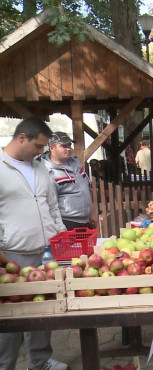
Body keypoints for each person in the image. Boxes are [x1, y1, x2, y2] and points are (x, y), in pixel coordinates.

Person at [0, 118, 69, 370]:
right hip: (10, 255)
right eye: (38, 146)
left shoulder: (40, 168)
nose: (41, 151)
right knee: (9, 319)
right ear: (22, 138)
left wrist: (61, 234)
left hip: (45, 251)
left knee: (42, 310)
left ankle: (40, 362)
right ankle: (4, 365)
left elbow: (52, 206)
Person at [40, 132, 97, 230]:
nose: (68, 149)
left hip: (85, 221)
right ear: (51, 148)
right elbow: (50, 205)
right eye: (63, 146)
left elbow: (87, 189)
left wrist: (92, 212)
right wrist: (59, 228)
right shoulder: (48, 172)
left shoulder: (76, 163)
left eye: (69, 145)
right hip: (66, 224)